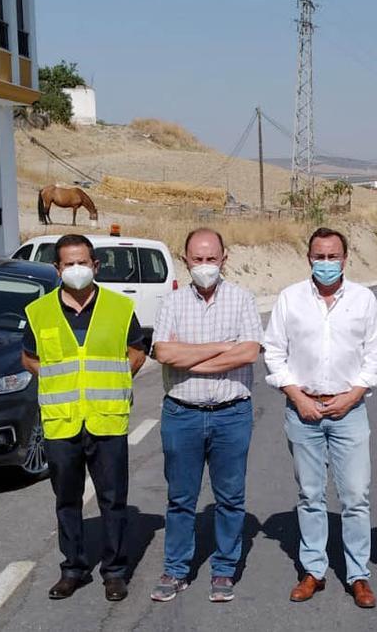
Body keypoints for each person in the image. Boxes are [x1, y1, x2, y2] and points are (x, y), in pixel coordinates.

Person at [263, 227, 377, 608]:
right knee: (310, 495)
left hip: (349, 411)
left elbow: (375, 354)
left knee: (355, 496)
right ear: (309, 259)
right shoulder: (290, 299)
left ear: (345, 259)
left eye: (334, 256)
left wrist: (352, 396)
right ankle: (313, 569)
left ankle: (358, 574)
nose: (327, 263)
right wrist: (297, 396)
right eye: (320, 256)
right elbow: (273, 352)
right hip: (304, 411)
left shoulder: (364, 300)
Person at [22, 234, 148, 602]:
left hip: (107, 419)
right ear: (57, 269)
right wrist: (58, 380)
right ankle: (73, 568)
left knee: (113, 499)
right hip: (62, 422)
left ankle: (114, 571)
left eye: (83, 263)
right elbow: (29, 358)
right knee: (66, 499)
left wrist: (114, 382)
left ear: (95, 266)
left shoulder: (119, 308)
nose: (76, 270)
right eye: (68, 264)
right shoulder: (39, 311)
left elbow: (136, 352)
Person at [149, 228, 263, 604]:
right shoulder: (173, 303)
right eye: (197, 259)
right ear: (186, 260)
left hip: (231, 414)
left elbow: (247, 353)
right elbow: (165, 353)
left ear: (224, 258)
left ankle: (224, 569)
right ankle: (177, 569)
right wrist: (218, 349)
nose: (205, 266)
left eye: (211, 258)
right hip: (183, 413)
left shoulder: (242, 299)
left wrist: (191, 357)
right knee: (181, 498)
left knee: (230, 497)